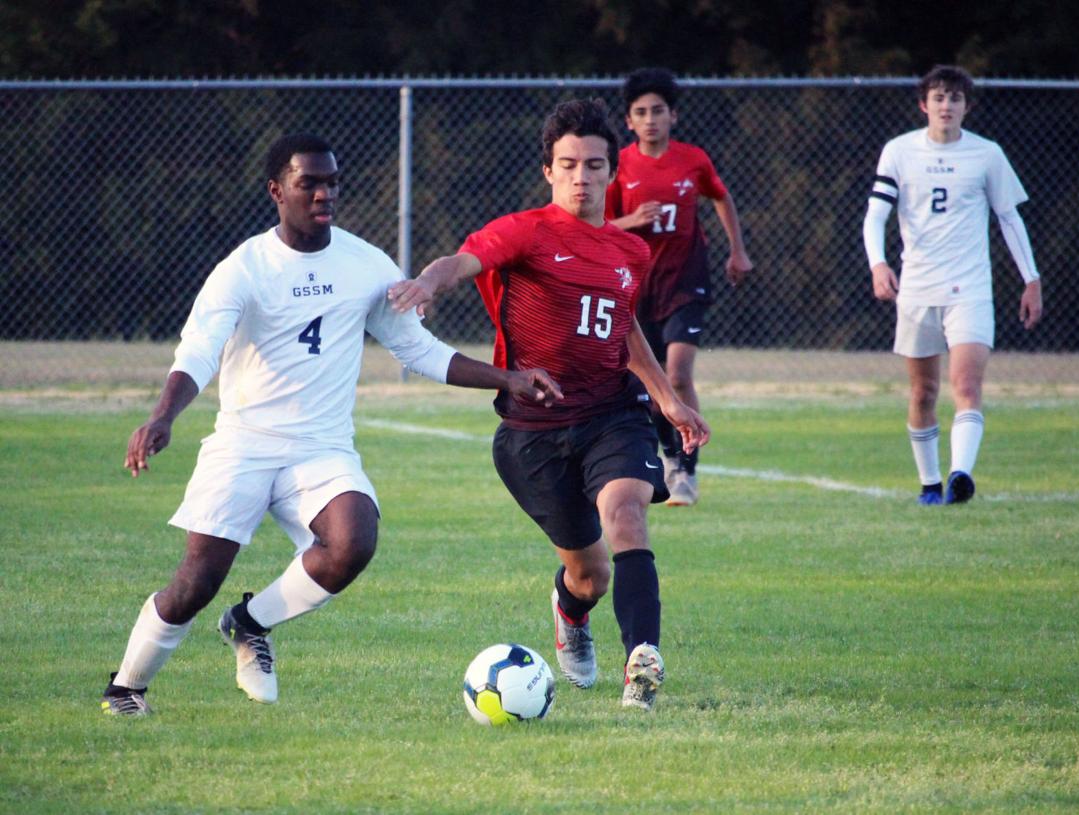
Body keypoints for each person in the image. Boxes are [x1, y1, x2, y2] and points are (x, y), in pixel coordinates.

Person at [100, 132, 561, 716]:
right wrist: (162, 417)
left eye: (332, 182)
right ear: (276, 190)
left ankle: (249, 623)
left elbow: (416, 348)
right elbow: (197, 355)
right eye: (308, 182)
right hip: (243, 444)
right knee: (196, 580)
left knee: (353, 540)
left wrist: (509, 378)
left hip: (320, 448)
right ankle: (127, 687)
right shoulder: (242, 269)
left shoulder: (365, 265)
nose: (324, 193)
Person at [388, 99, 710, 711]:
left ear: (613, 172)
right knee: (591, 575)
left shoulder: (629, 253)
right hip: (532, 435)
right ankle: (571, 611)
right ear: (549, 171)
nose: (581, 178)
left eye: (594, 166)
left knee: (627, 517)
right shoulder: (526, 230)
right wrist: (428, 284)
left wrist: (668, 400)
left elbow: (625, 330)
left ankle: (642, 665)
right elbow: (462, 261)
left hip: (612, 414)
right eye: (569, 165)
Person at [863, 65, 1043, 506]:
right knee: (923, 391)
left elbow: (1009, 217)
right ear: (924, 104)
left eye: (955, 98)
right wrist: (879, 264)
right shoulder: (899, 152)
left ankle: (961, 475)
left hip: (970, 288)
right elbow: (876, 216)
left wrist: (1031, 279)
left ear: (967, 106)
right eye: (939, 98)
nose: (947, 106)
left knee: (966, 385)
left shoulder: (987, 155)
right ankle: (929, 483)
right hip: (918, 289)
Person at [604, 67, 752, 507]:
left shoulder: (693, 159)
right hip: (636, 287)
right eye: (641, 112)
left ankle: (686, 471)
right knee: (647, 382)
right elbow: (601, 225)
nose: (650, 119)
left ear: (673, 116)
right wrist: (632, 222)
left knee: (678, 373)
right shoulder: (620, 166)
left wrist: (737, 251)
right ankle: (670, 455)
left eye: (658, 111)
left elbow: (721, 196)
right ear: (629, 121)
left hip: (686, 280)